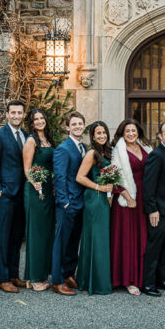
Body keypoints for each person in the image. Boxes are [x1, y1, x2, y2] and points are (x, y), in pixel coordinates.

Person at [0, 100, 29, 293]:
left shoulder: (27, 136)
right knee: (4, 237)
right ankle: (3, 278)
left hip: (23, 194)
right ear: (7, 114)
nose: (16, 116)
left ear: (23, 115)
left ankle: (14, 274)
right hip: (6, 195)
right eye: (13, 113)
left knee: (16, 237)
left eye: (19, 113)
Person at [110, 119, 150, 295]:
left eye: (134, 131)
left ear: (138, 132)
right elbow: (115, 177)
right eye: (128, 131)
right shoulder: (118, 151)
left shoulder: (145, 148)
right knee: (128, 238)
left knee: (142, 237)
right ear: (122, 133)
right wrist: (128, 196)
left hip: (144, 196)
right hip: (127, 199)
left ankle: (142, 277)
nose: (131, 134)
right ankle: (128, 279)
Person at [141, 121, 165, 297]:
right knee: (154, 247)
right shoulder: (156, 155)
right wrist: (152, 209)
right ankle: (148, 284)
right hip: (158, 211)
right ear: (160, 136)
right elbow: (148, 185)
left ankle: (162, 280)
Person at [75, 122, 114, 295]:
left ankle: (101, 279)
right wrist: (99, 188)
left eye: (104, 132)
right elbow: (80, 177)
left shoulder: (108, 152)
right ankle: (90, 281)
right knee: (95, 239)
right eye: (98, 133)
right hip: (94, 198)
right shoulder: (91, 153)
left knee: (102, 239)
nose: (102, 136)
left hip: (105, 200)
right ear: (93, 135)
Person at [52, 111, 87, 296]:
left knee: (74, 242)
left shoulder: (84, 147)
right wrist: (64, 202)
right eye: (74, 124)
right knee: (61, 243)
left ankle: (68, 274)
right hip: (67, 204)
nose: (77, 126)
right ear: (67, 127)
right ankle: (57, 281)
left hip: (80, 203)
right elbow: (59, 177)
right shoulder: (63, 149)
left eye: (80, 123)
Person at [22, 108, 56, 291]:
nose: (40, 121)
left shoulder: (48, 140)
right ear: (32, 123)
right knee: (36, 234)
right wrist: (35, 182)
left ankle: (37, 275)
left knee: (46, 232)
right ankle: (34, 278)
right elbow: (27, 168)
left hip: (48, 191)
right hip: (36, 191)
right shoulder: (31, 141)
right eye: (36, 119)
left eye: (42, 118)